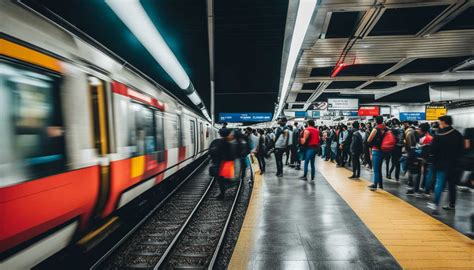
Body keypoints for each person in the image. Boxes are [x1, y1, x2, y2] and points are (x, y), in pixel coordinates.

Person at [427, 115, 464, 213]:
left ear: (444, 122)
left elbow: (433, 150)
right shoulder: (458, 134)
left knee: (439, 184)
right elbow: (462, 150)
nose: (439, 124)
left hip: (441, 164)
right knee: (452, 185)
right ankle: (452, 204)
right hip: (455, 164)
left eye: (439, 122)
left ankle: (435, 205)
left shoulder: (439, 134)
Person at [210, 128, 242, 200]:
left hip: (217, 163)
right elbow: (231, 155)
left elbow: (211, 152)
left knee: (220, 179)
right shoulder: (228, 143)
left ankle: (222, 193)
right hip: (226, 164)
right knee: (226, 179)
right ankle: (224, 191)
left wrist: (214, 160)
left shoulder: (215, 141)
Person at [367, 116, 385, 191]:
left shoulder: (376, 129)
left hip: (376, 150)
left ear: (376, 121)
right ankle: (380, 185)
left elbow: (368, 140)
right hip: (383, 150)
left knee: (376, 169)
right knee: (379, 168)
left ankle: (375, 185)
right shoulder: (385, 128)